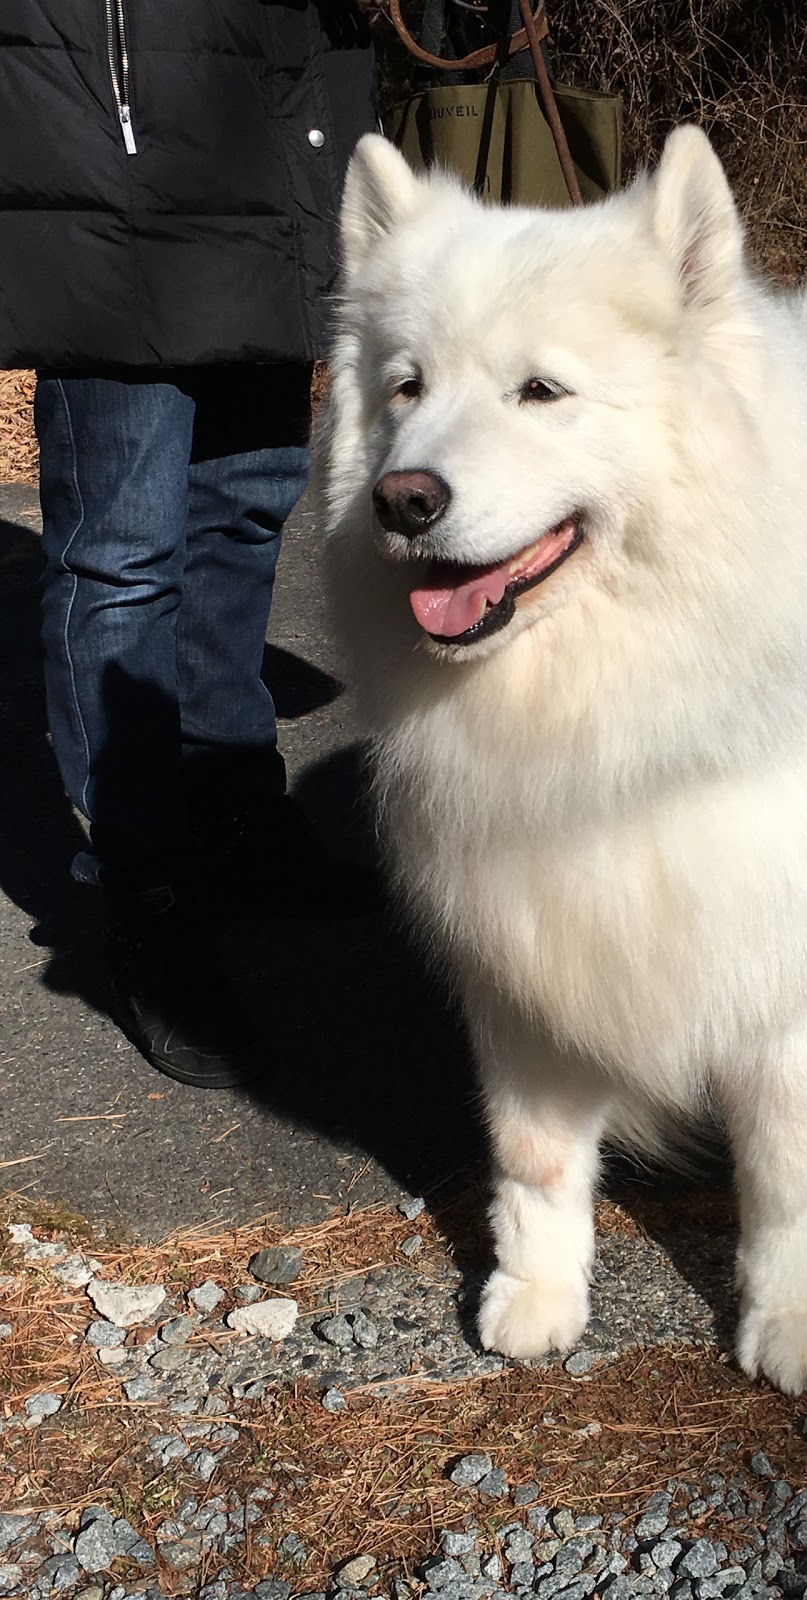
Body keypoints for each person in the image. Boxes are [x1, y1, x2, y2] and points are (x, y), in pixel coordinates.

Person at [0, 2, 381, 1088]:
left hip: (267, 109)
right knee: (121, 548)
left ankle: (232, 810)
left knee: (250, 496)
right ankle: (147, 891)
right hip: (109, 108)